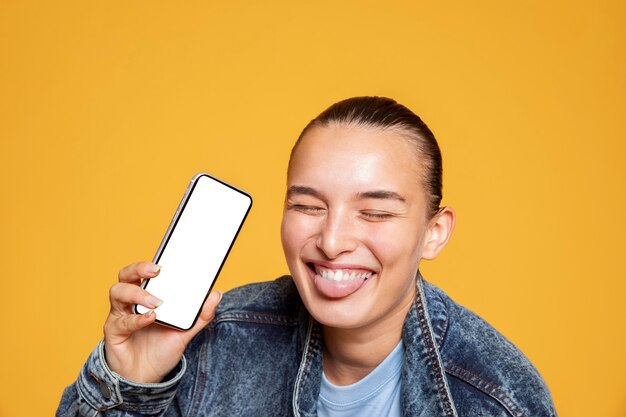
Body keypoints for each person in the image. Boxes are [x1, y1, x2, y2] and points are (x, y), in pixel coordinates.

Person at [58, 97, 557, 416]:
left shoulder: (497, 397)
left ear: (434, 232)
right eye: (308, 205)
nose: (333, 240)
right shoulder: (214, 342)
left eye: (376, 213)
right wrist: (130, 379)